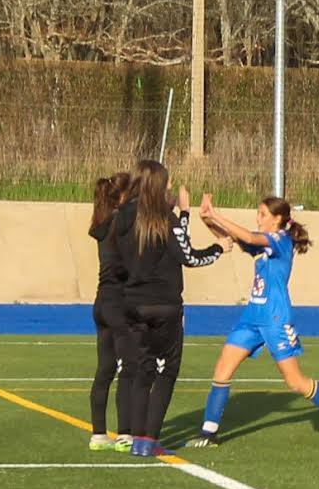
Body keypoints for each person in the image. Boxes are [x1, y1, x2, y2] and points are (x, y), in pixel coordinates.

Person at [187, 195, 319, 449]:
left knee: (295, 381)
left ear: (278, 219)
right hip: (251, 318)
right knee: (222, 371)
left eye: (262, 214)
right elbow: (236, 239)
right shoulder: (265, 244)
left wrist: (215, 215)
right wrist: (207, 220)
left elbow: (247, 237)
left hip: (275, 320)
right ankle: (209, 433)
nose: (258, 218)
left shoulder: (280, 241)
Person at [114, 160, 229, 458]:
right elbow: (187, 255)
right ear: (157, 186)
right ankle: (150, 439)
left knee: (142, 370)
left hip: (132, 303)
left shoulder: (123, 216)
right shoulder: (165, 219)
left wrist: (184, 216)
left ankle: (138, 440)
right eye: (167, 184)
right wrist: (219, 248)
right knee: (167, 371)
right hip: (164, 306)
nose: (170, 188)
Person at [87, 172, 135, 452]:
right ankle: (125, 433)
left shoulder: (102, 222)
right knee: (129, 367)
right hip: (119, 302)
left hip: (101, 301)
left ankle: (98, 434)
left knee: (105, 369)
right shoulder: (121, 221)